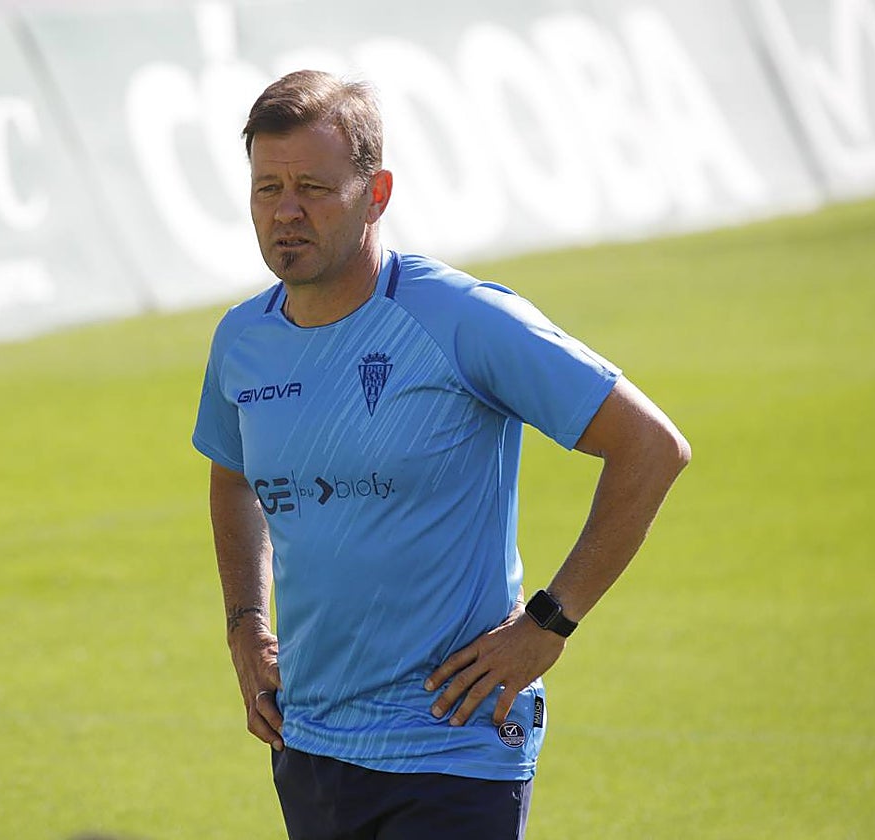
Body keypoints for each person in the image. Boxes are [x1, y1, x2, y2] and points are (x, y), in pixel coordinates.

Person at [191, 69, 690, 839]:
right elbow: (234, 478)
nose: (287, 211)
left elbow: (650, 448)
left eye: (314, 188)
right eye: (268, 188)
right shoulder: (241, 343)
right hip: (312, 741)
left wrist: (548, 623)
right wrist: (245, 622)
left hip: (454, 745)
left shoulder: (461, 319)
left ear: (377, 193)